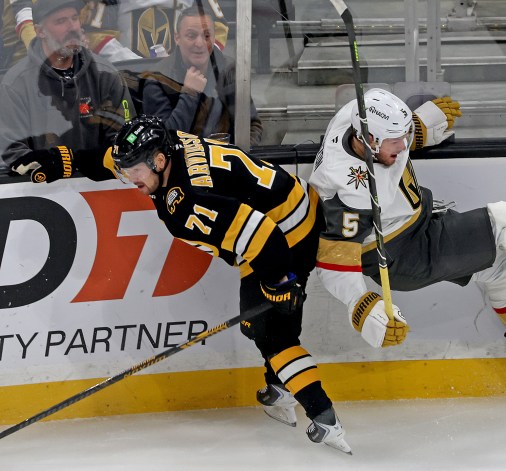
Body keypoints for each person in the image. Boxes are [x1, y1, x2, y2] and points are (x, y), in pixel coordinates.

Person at [9, 115, 352, 454]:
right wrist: (59, 161)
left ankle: (322, 416)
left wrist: (279, 282)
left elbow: (265, 237)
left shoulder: (186, 202)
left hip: (288, 234)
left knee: (272, 331)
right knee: (260, 322)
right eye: (127, 171)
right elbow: (113, 160)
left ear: (158, 161)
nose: (129, 179)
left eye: (135, 172)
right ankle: (279, 386)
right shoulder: (164, 146)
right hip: (282, 209)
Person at [308, 88, 506, 396]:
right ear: (368, 140)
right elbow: (334, 262)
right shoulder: (344, 192)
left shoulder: (357, 118)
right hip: (405, 255)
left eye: (404, 135)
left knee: (499, 270)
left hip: (417, 227)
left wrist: (416, 128)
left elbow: (395, 139)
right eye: (394, 139)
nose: (403, 145)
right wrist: (359, 303)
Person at [0, 0, 135, 173]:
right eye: (61, 21)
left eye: (74, 18)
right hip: (41, 191)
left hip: (100, 187)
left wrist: (91, 163)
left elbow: (125, 139)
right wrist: (45, 166)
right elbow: (11, 149)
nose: (72, 27)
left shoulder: (106, 75)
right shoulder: (15, 84)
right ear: (39, 31)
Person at [141, 5, 262, 145]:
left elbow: (252, 125)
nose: (200, 43)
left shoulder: (229, 69)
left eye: (206, 35)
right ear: (177, 38)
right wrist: (190, 94)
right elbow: (163, 141)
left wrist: (237, 158)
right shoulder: (157, 79)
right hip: (181, 163)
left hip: (224, 160)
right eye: (191, 35)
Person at [2, 0, 141, 68]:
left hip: (67, 43)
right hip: (24, 56)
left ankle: (144, 67)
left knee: (106, 44)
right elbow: (25, 26)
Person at [116, 0, 229, 57]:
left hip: (181, 78)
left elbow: (218, 27)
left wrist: (198, 59)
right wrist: (129, 61)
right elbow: (99, 34)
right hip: (125, 77)